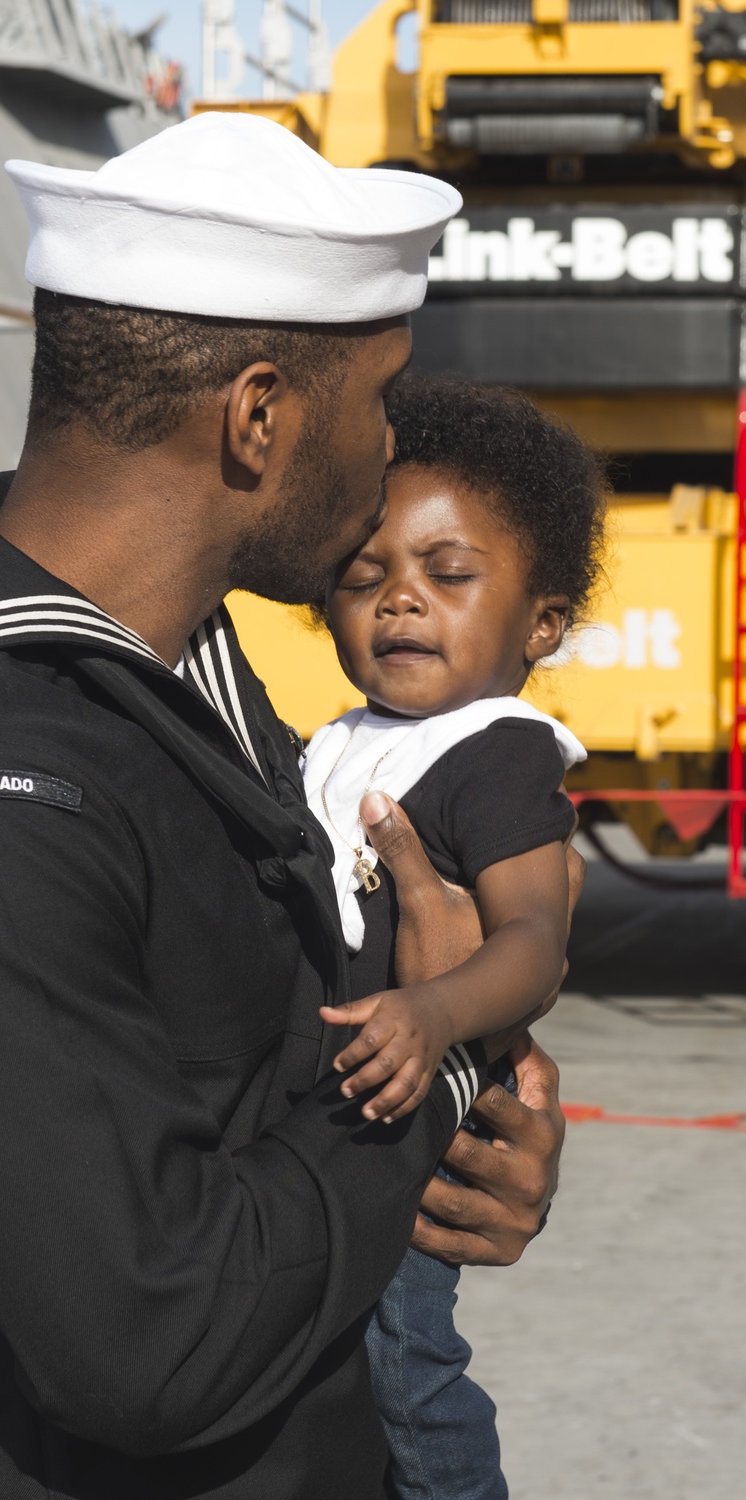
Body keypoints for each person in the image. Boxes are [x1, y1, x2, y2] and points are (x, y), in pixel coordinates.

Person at [0, 116, 571, 1500]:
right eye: (377, 405)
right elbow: (154, 1334)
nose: (385, 456)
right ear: (257, 417)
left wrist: (469, 1117)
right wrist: (421, 1099)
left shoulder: (170, 679)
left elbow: (251, 1088)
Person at [303, 376, 606, 1500]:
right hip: (339, 1118)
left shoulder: (499, 754)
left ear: (540, 622)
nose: (398, 602)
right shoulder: (337, 741)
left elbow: (535, 942)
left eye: (448, 574)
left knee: (406, 1364)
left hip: (416, 1130)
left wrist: (434, 1011)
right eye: (364, 576)